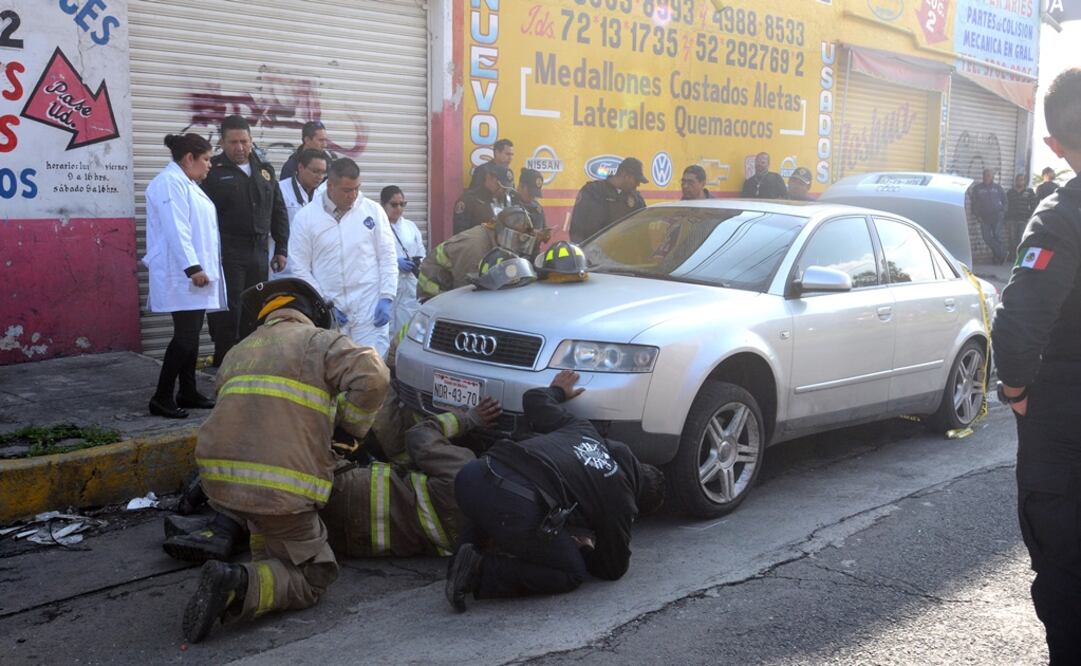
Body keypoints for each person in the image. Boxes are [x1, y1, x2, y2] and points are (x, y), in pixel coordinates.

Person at [181, 278, 389, 643]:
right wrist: (349, 432)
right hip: (280, 490)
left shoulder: (237, 351)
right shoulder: (319, 342)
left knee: (267, 528)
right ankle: (237, 584)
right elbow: (373, 376)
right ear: (309, 315)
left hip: (221, 486)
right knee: (314, 577)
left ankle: (259, 566)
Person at [991, 67, 1081, 664]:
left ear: (1054, 145)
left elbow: (1019, 319)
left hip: (1066, 423)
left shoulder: (1061, 216)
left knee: (1068, 576)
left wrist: (1016, 389)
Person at [444, 370, 666, 612]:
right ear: (638, 503)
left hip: (472, 475)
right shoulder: (622, 499)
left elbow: (534, 400)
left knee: (497, 504)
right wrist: (583, 548)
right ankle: (479, 570)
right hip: (512, 503)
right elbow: (613, 569)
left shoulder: (585, 430)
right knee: (570, 572)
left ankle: (460, 562)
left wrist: (558, 390)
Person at [321, 399, 501, 558]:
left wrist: (467, 419)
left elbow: (419, 435)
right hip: (348, 543)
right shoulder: (469, 544)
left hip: (342, 491)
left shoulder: (464, 476)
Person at [143, 133, 225, 419]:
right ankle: (162, 397)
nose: (209, 166)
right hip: (183, 274)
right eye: (206, 160)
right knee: (185, 337)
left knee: (190, 336)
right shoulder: (169, 183)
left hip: (193, 274)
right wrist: (192, 267)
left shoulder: (186, 183)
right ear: (189, 158)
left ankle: (187, 392)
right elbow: (176, 228)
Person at [202, 115, 290, 365]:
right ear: (222, 142)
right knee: (229, 311)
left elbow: (278, 210)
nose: (239, 148)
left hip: (258, 251)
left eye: (244, 141)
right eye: (233, 142)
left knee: (256, 306)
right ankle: (225, 360)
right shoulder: (213, 171)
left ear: (251, 141)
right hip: (228, 251)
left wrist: (281, 248)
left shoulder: (264, 170)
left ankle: (252, 361)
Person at [289, 158, 398, 356]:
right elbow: (299, 267)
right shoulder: (306, 218)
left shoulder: (372, 211)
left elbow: (388, 256)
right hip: (332, 311)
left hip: (369, 309)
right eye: (347, 190)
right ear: (330, 186)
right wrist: (323, 302)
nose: (353, 196)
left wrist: (387, 296)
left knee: (373, 371)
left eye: (357, 188)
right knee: (333, 371)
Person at [417, 207, 537, 302]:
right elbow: (466, 290)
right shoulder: (476, 246)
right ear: (501, 231)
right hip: (434, 291)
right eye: (515, 238)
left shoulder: (497, 240)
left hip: (454, 283)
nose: (517, 244)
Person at [274, 149, 329, 277]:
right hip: (285, 266)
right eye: (315, 171)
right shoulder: (280, 189)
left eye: (323, 172)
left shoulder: (325, 195)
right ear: (300, 167)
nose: (319, 177)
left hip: (315, 268)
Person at [568, 157, 648, 243]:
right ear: (624, 174)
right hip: (593, 252)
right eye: (636, 180)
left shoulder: (637, 200)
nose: (638, 184)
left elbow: (644, 234)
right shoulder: (593, 191)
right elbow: (576, 229)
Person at [381, 185, 426, 334]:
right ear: (383, 204)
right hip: (386, 285)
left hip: (409, 285)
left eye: (402, 204)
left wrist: (417, 262)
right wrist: (395, 263)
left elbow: (421, 251)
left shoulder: (410, 227)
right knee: (385, 329)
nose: (399, 208)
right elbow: (369, 258)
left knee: (407, 326)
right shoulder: (376, 228)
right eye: (394, 204)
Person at [453, 165, 512, 234]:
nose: (503, 191)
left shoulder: (506, 200)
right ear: (488, 177)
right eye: (500, 186)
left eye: (506, 189)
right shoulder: (468, 200)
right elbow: (460, 233)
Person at [970, 168, 1009, 265]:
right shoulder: (977, 188)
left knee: (997, 237)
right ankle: (1003, 253)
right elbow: (974, 204)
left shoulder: (997, 188)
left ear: (992, 177)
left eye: (988, 175)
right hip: (984, 218)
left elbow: (1005, 201)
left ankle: (998, 258)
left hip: (997, 216)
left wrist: (1003, 212)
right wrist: (977, 215)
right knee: (987, 238)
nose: (986, 177)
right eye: (984, 175)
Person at [1006, 173, 1037, 262]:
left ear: (1024, 181)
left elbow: (1034, 205)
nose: (1020, 181)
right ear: (1015, 181)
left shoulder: (1029, 192)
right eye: (1018, 179)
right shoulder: (1010, 192)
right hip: (1011, 219)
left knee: (1021, 238)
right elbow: (1006, 205)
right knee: (1012, 239)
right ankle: (1012, 257)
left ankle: (1020, 257)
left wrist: (1031, 217)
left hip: (1023, 219)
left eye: (1022, 179)